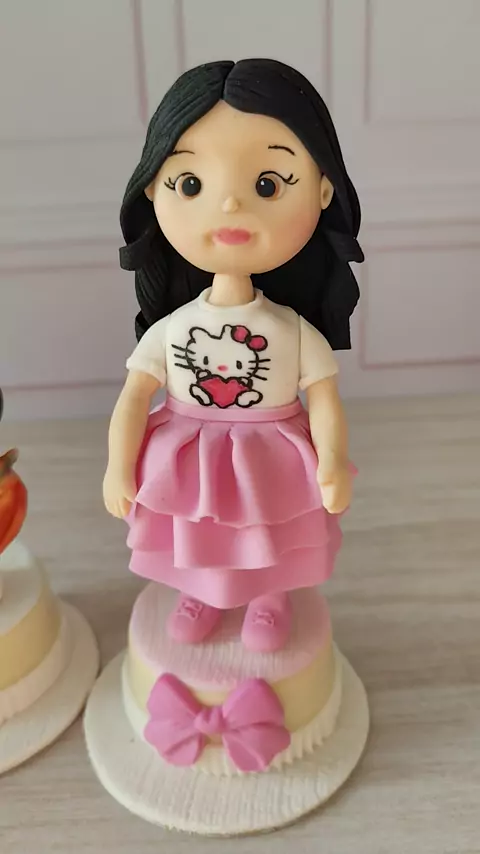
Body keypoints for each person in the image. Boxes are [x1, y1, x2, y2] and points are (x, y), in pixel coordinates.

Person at [103, 59, 363, 652]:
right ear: (153, 188)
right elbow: (134, 398)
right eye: (191, 184)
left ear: (323, 190)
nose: (228, 206)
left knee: (268, 533)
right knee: (197, 534)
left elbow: (325, 399)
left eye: (267, 185)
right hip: (186, 454)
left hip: (270, 455)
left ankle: (268, 595)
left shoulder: (294, 331)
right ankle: (200, 590)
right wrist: (119, 465)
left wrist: (332, 460)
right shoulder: (170, 329)